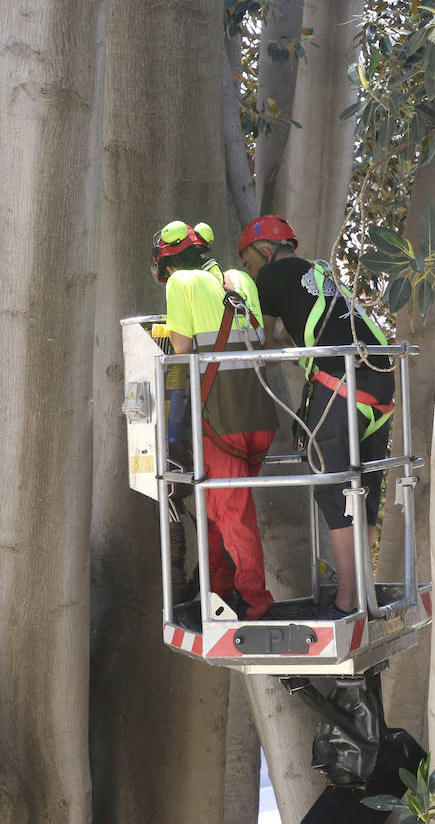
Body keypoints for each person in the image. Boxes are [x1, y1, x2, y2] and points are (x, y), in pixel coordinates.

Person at [237, 215, 394, 620]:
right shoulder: (318, 274)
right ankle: (363, 590)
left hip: (340, 378)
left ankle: (348, 599)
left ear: (265, 252)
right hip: (380, 377)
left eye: (249, 264)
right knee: (365, 485)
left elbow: (262, 343)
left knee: (332, 484)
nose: (251, 273)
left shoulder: (271, 275)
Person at [154, 220, 279, 620]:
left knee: (233, 517)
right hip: (259, 417)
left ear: (167, 265)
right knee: (217, 512)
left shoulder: (180, 284)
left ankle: (256, 603)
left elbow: (181, 351)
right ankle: (218, 589)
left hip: (219, 422)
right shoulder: (240, 279)